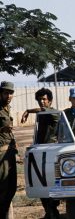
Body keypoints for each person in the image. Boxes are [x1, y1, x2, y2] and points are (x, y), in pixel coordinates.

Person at [21, 88, 60, 219]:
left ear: (50, 100)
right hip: (40, 152)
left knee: (50, 183)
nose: (41, 102)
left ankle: (53, 211)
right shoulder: (41, 116)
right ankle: (49, 212)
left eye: (44, 99)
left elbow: (43, 111)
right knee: (39, 183)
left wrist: (28, 111)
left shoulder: (53, 112)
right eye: (39, 99)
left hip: (51, 152)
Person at [0, 81, 17, 219]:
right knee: (3, 188)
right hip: (1, 153)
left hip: (10, 152)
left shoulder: (7, 108)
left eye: (11, 93)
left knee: (12, 187)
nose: (9, 95)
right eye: (6, 92)